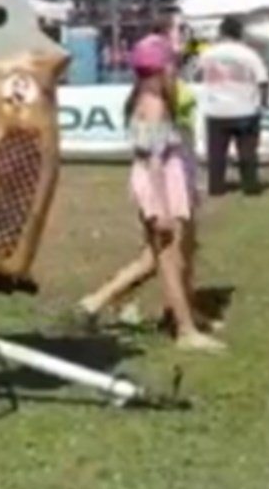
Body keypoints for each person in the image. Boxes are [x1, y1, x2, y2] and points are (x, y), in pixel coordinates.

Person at [77, 36, 224, 352]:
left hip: (162, 177)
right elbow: (153, 159)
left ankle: (180, 317)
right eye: (171, 66)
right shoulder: (155, 103)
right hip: (160, 182)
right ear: (163, 69)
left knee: (165, 257)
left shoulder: (143, 97)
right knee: (169, 260)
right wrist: (162, 207)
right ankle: (184, 331)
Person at [196, 15, 269, 196]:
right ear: (240, 33)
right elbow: (263, 80)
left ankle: (216, 187)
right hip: (245, 109)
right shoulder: (248, 54)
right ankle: (251, 186)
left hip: (216, 109)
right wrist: (264, 103)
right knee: (247, 152)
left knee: (216, 153)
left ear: (221, 32)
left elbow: (198, 75)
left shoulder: (208, 53)